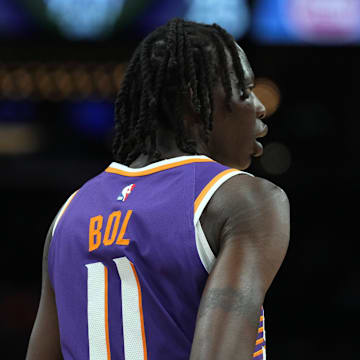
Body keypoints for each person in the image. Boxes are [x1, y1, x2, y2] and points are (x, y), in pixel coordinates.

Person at [26, 18, 290, 360]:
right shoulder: (244, 201)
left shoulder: (69, 213)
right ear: (197, 99)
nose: (258, 105)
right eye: (244, 89)